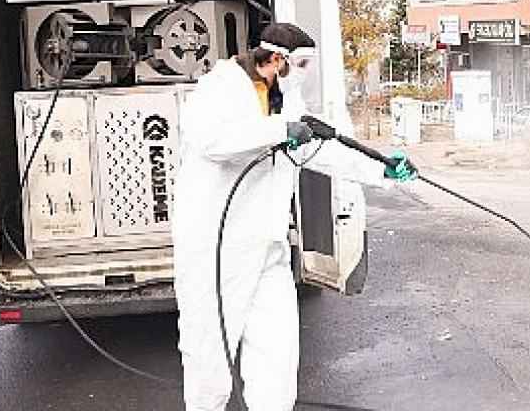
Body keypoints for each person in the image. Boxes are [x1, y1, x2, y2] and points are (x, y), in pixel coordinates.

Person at [172, 22, 417, 411]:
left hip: (267, 247)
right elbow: (213, 142)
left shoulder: (284, 100)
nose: (304, 74)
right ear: (274, 59)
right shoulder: (220, 87)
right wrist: (278, 129)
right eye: (299, 65)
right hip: (217, 251)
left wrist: (380, 168)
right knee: (210, 357)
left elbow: (317, 151)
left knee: (277, 354)